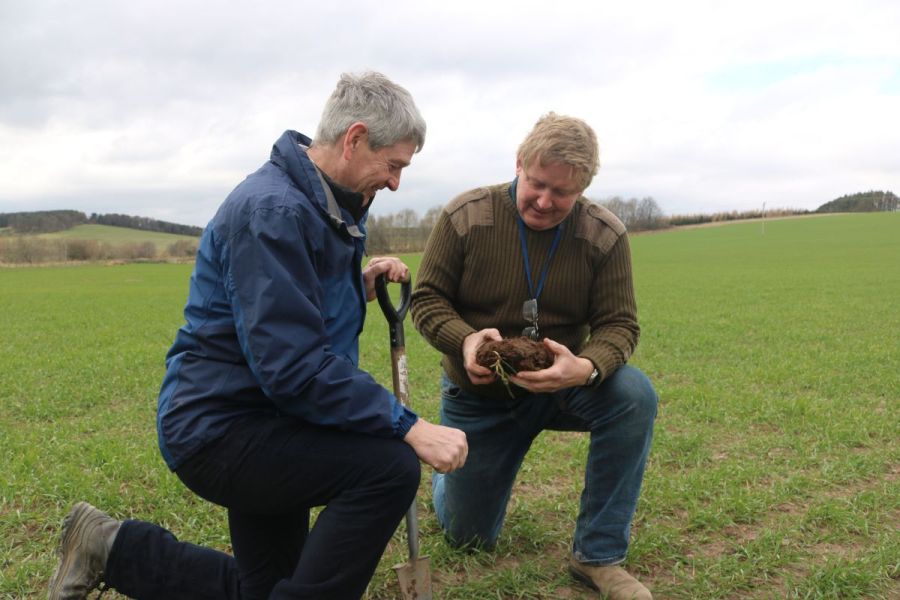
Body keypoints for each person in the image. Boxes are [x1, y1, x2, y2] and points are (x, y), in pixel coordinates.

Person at [48, 72, 468, 600]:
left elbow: (284, 305)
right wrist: (407, 424)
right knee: (388, 467)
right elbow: (293, 365)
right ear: (355, 138)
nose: (395, 183)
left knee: (268, 589)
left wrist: (353, 285)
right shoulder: (273, 211)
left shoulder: (321, 205)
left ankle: (109, 546)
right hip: (223, 426)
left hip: (270, 416)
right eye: (394, 165)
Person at [411, 112, 657, 599]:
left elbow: (619, 325)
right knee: (469, 537)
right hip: (479, 394)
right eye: (537, 184)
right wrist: (466, 341)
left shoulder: (603, 235)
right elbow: (427, 299)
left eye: (561, 194)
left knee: (634, 394)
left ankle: (598, 556)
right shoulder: (467, 216)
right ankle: (451, 485)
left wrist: (584, 367)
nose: (544, 201)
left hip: (563, 388)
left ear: (583, 188)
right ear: (520, 163)